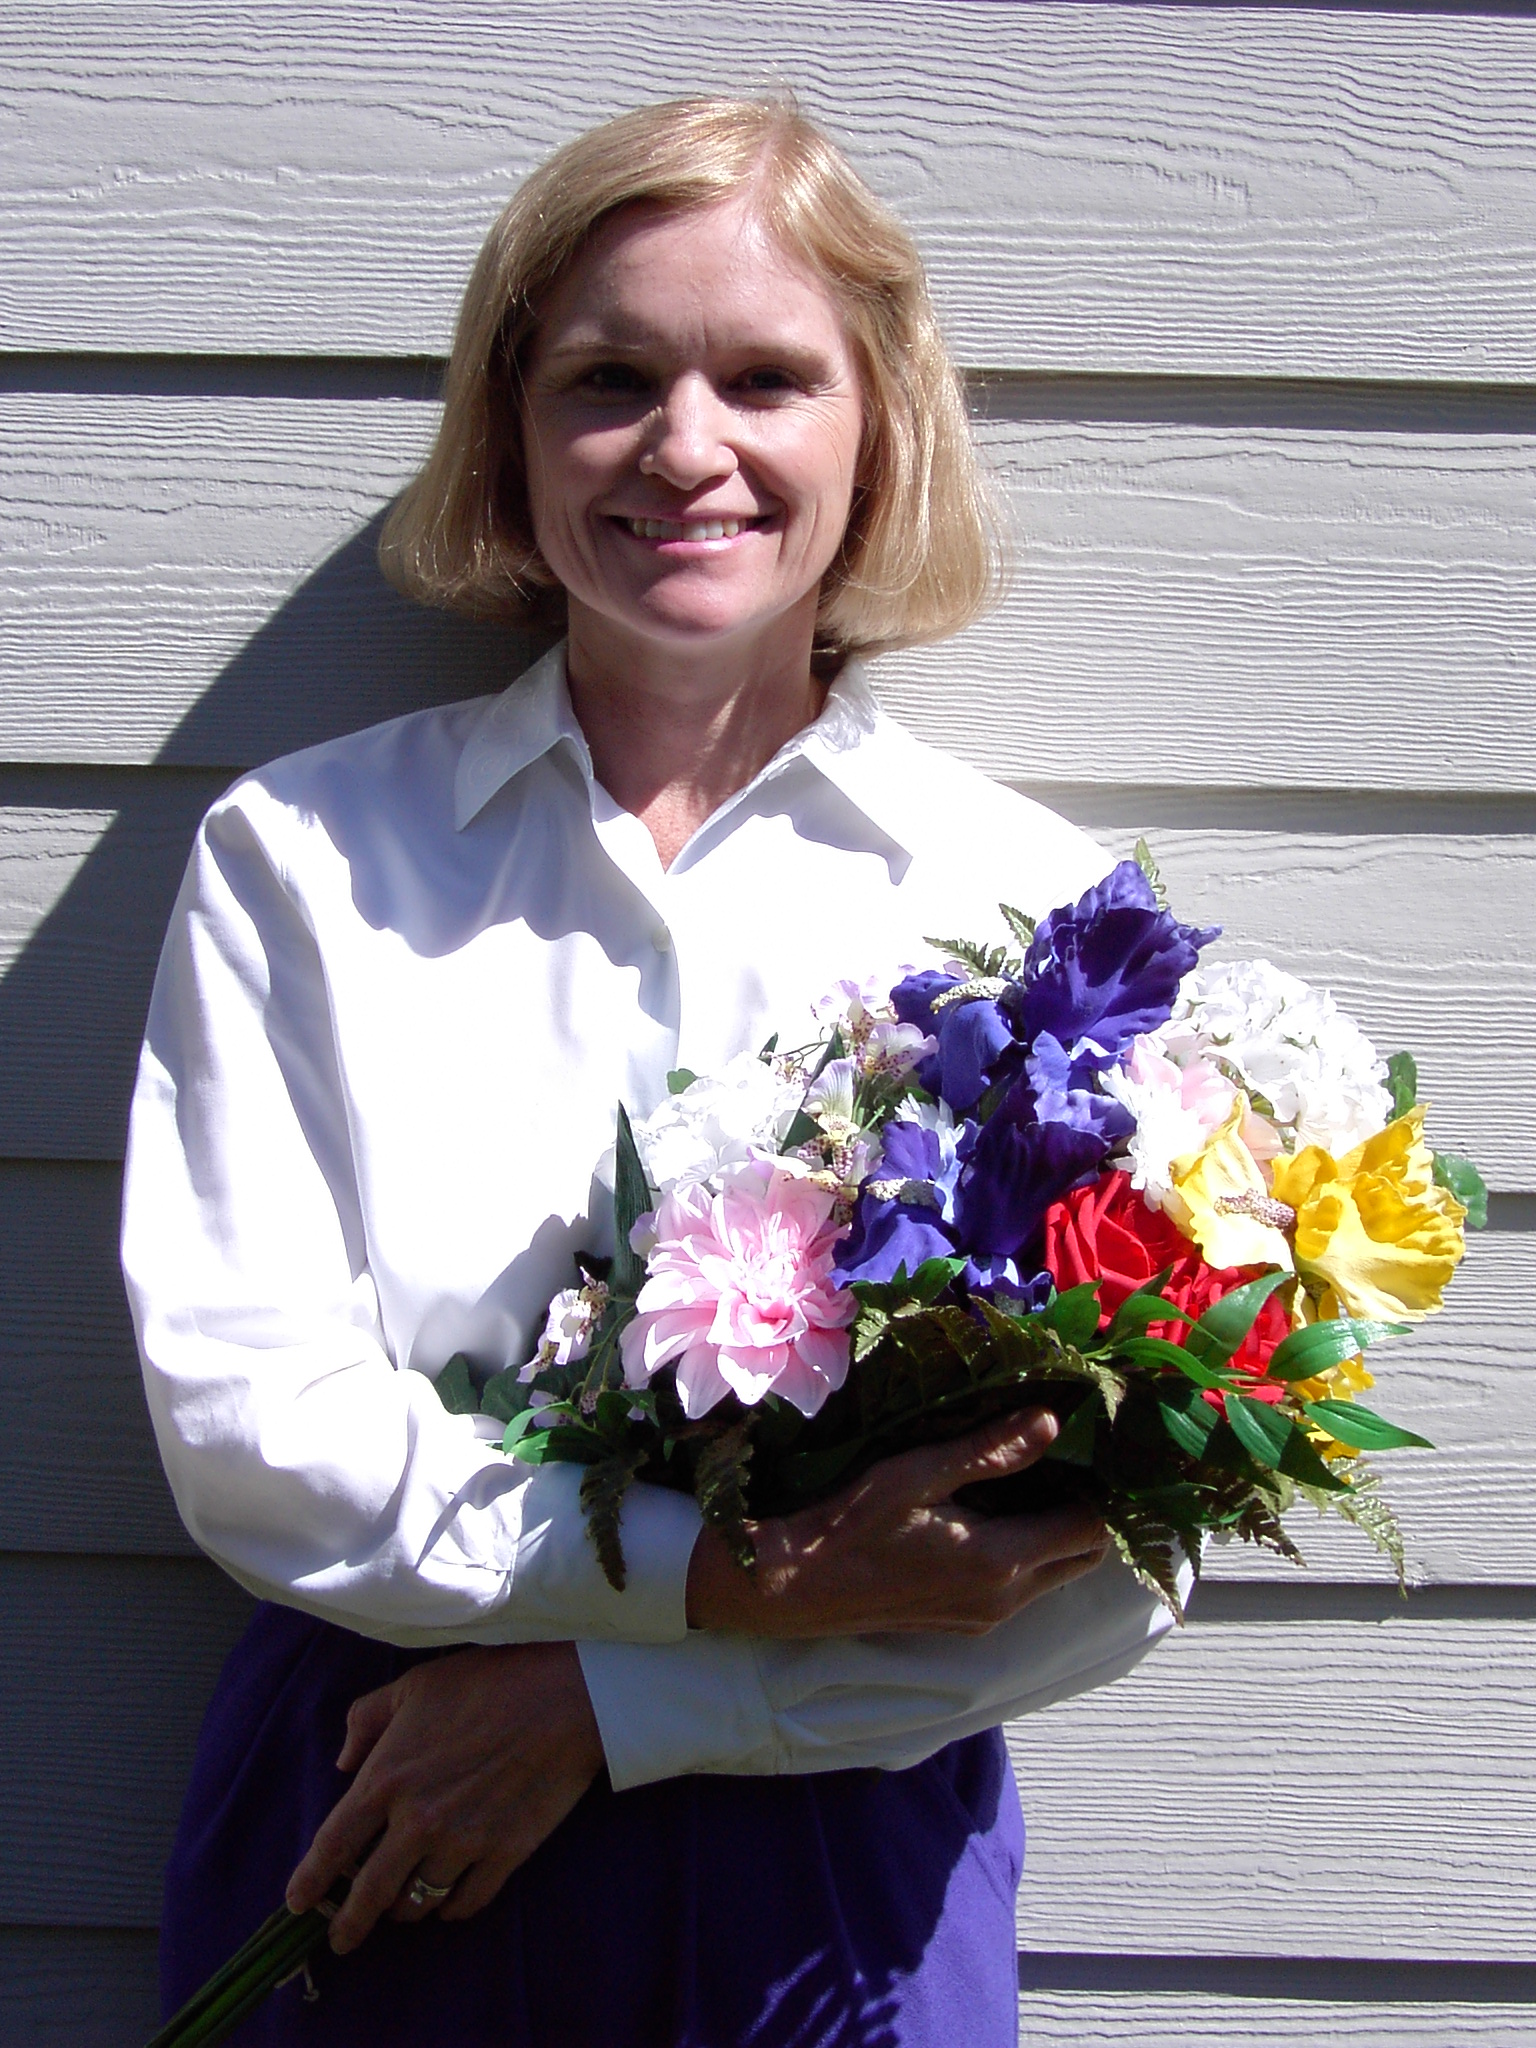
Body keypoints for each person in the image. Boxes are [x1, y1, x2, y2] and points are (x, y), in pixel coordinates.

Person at [122, 96, 1180, 2048]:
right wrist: (736, 1578)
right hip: (382, 1798)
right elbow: (250, 1422)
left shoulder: (1038, 915)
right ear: (510, 434)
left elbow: (1111, 1550)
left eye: (765, 378)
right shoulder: (307, 860)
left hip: (832, 1864)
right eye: (609, 380)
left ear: (877, 430)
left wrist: (629, 1697)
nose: (687, 446)